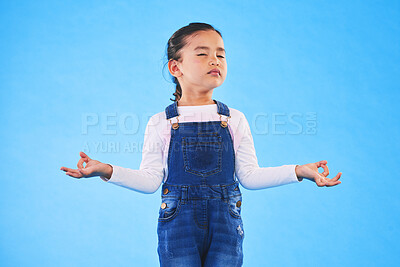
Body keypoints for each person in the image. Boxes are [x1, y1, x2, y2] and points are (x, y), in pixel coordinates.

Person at [60, 22, 342, 267]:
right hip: (178, 224)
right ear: (176, 67)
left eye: (221, 54)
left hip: (226, 225)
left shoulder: (234, 119)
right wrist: (106, 170)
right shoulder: (161, 122)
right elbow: (149, 181)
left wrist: (299, 171)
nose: (215, 60)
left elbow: (250, 177)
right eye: (202, 54)